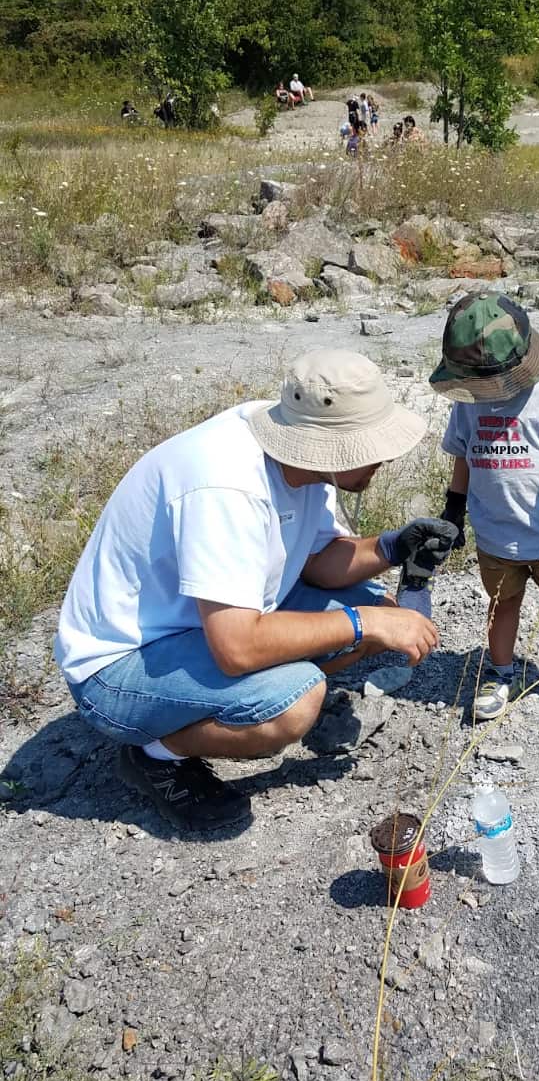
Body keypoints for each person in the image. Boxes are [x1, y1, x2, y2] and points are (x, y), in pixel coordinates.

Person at [54, 352, 456, 833]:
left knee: (378, 613)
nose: (385, 458)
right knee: (294, 702)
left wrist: (391, 547)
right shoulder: (227, 485)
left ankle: (248, 696)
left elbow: (318, 563)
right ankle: (156, 755)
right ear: (331, 446)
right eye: (373, 447)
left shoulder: (299, 454)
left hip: (210, 621)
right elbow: (237, 648)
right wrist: (362, 623)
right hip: (121, 665)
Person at [429, 293, 539, 721]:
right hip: (495, 534)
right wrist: (454, 505)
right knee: (502, 603)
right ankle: (500, 669)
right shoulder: (467, 398)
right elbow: (463, 453)